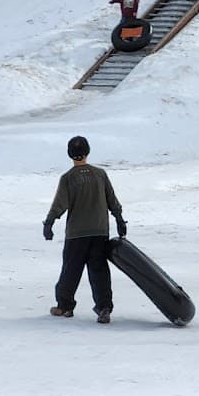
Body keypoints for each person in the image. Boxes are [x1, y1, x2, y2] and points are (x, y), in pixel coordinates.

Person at [43, 136, 125, 324]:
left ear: (69, 154)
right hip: (99, 232)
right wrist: (119, 219)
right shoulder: (100, 174)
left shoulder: (68, 178)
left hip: (76, 234)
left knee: (70, 271)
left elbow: (60, 204)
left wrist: (49, 222)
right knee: (99, 271)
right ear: (88, 152)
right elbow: (112, 200)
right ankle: (104, 308)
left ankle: (64, 306)